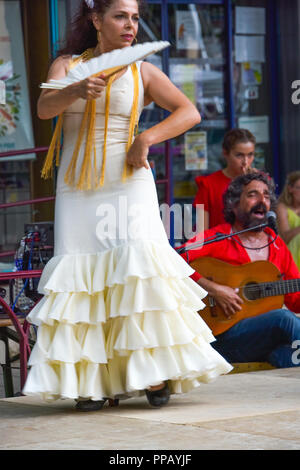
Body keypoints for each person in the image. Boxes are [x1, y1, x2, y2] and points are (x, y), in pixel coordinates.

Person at [23, 0, 232, 411]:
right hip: (77, 184)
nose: (130, 25)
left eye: (135, 18)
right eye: (120, 16)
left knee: (137, 272)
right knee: (83, 275)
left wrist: (147, 138)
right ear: (96, 19)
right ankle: (94, 382)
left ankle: (153, 374)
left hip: (128, 181)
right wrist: (76, 89)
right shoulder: (67, 65)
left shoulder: (144, 70)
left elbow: (188, 112)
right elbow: (44, 110)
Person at [181, 172, 300, 369]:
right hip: (219, 334)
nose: (262, 200)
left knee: (285, 355)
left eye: (267, 196)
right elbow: (174, 261)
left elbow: (295, 301)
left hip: (258, 342)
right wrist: (213, 289)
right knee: (284, 319)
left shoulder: (277, 245)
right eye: (253, 194)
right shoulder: (216, 237)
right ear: (234, 204)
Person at [193, 128, 256, 230]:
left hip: (253, 244)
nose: (246, 161)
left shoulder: (260, 182)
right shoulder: (208, 184)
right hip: (219, 244)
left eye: (250, 155)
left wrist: (253, 183)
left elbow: (267, 221)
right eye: (239, 155)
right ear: (225, 153)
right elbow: (201, 231)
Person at [277, 171, 300, 270]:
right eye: (299, 188)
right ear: (290, 189)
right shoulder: (282, 207)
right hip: (289, 252)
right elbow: (285, 237)